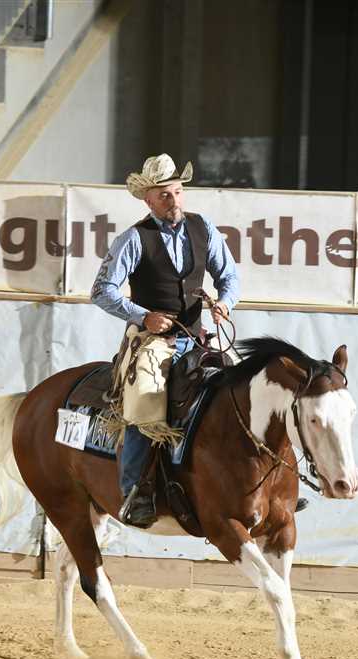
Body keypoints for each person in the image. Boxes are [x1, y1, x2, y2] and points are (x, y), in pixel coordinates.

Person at [91, 153, 239, 528]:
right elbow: (102, 290)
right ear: (149, 200)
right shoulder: (134, 239)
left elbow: (229, 277)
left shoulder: (204, 228)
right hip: (151, 341)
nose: (173, 200)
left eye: (177, 192)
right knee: (144, 398)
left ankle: (257, 479)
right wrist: (143, 316)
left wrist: (225, 302)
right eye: (164, 195)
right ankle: (134, 493)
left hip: (199, 336)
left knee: (243, 386)